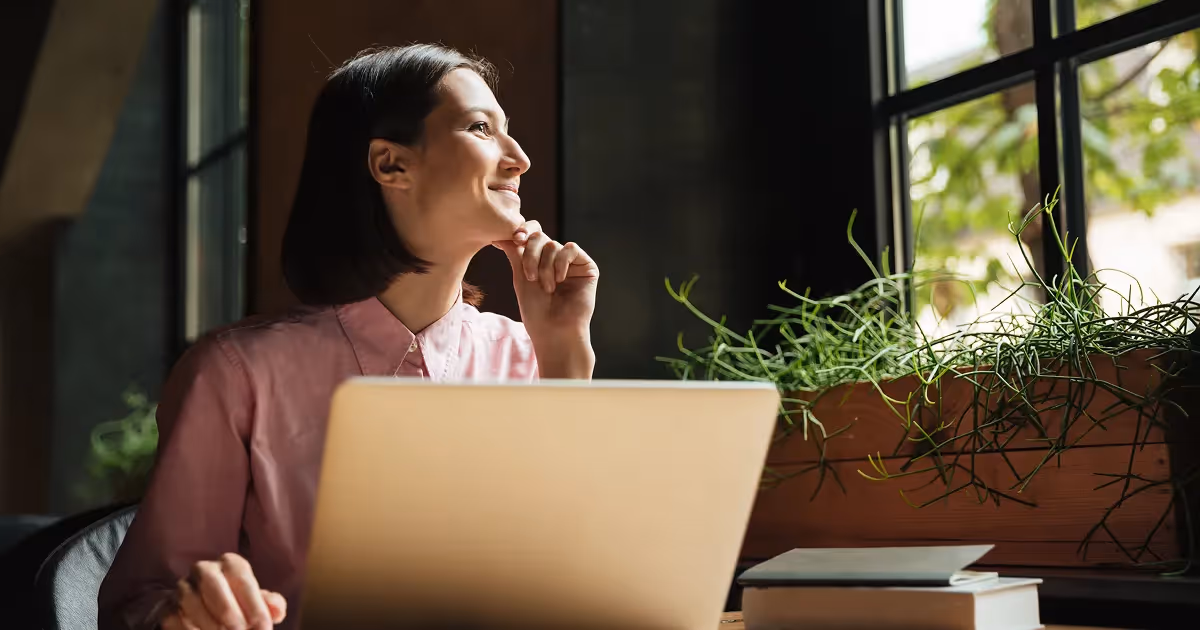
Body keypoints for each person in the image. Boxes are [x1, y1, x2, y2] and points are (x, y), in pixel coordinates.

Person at [98, 44, 599, 630]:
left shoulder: (527, 356)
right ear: (390, 165)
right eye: (481, 128)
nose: (519, 159)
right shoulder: (238, 375)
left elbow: (580, 581)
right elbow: (138, 607)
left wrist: (565, 351)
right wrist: (187, 617)